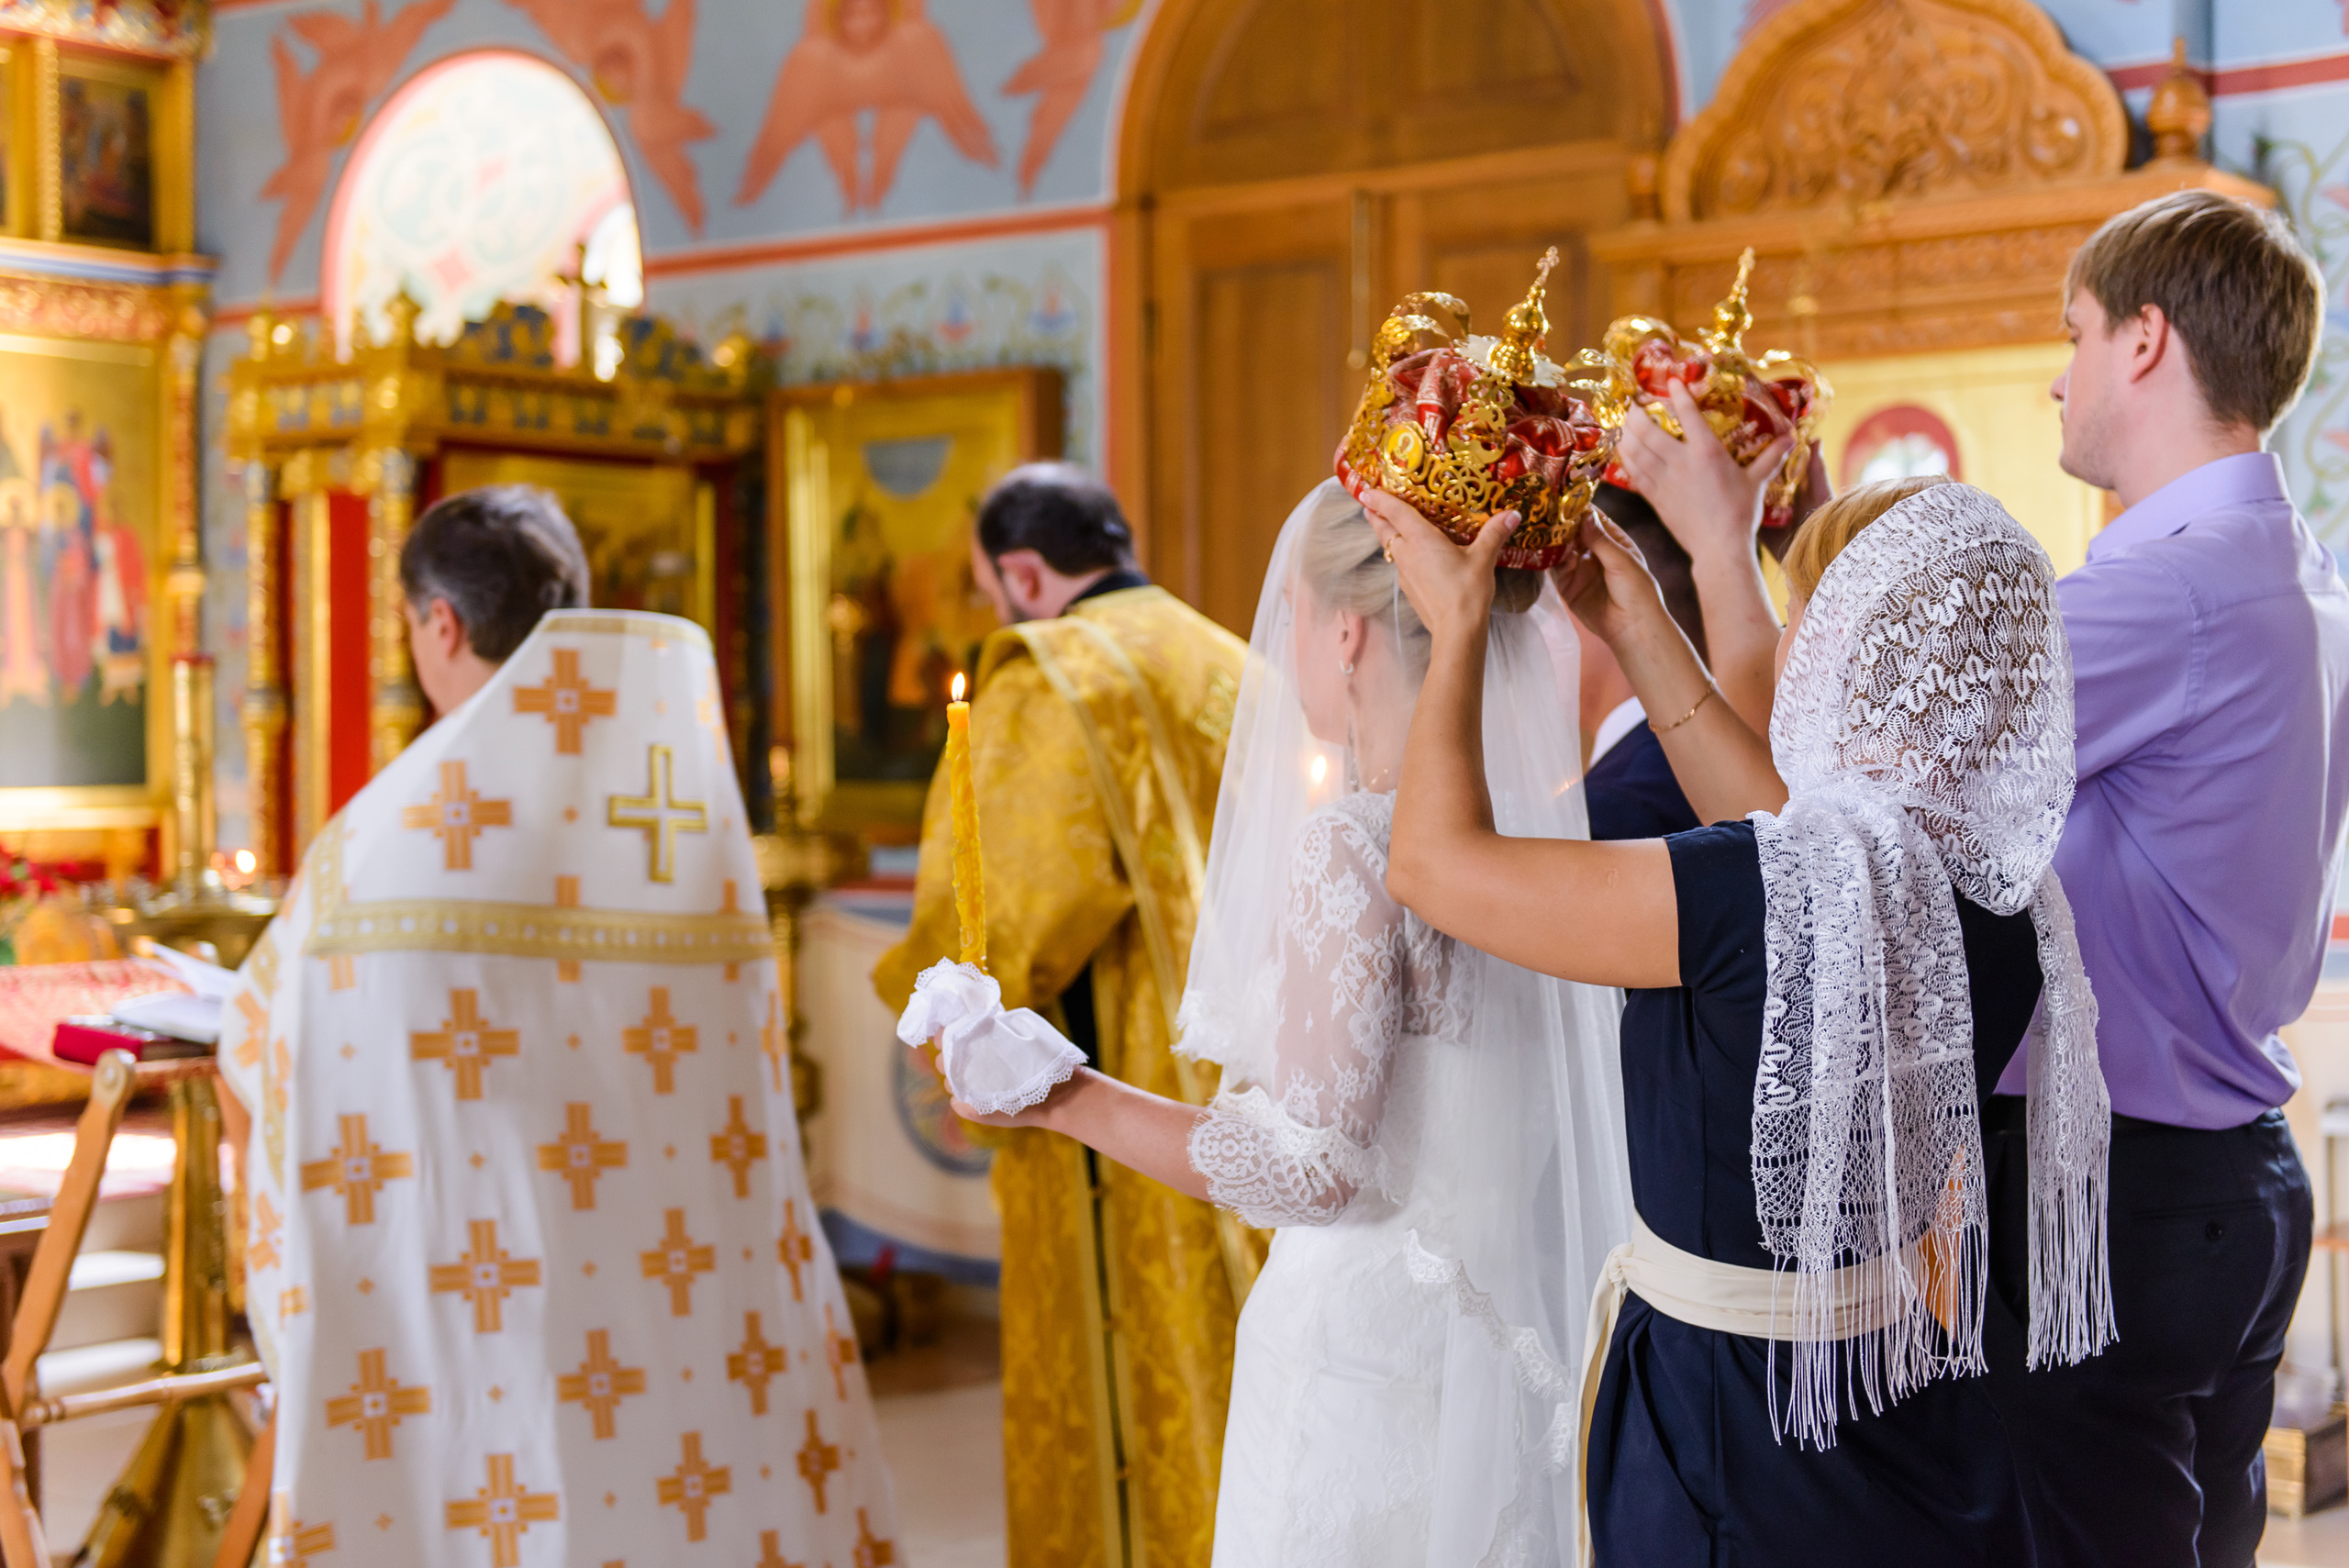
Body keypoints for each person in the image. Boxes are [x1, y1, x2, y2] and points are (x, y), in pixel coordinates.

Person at [1364, 475, 2113, 1567]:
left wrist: (1458, 628)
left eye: (1804, 601)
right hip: (1896, 1400)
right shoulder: (1994, 882)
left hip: (1729, 1422)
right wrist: (1637, 625)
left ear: (1861, 643)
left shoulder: (1759, 889)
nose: (1789, 628)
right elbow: (1787, 828)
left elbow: (1432, 867)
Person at [896, 479, 1631, 1564]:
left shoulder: (1353, 848)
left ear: (1343, 632)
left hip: (1361, 1360)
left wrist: (1063, 1092)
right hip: (1501, 1338)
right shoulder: (1556, 847)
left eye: (1286, 615)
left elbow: (1312, 1169)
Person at [217, 485, 896, 1565]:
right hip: (677, 1307)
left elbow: (259, 1057)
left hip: (485, 1303)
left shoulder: (391, 837)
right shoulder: (681, 813)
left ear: (439, 623)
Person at [1973, 189, 2344, 1566]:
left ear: (2143, 342)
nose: (2056, 372)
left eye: (2072, 332)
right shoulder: (2293, 573)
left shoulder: (2166, 593)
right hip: (2236, 1175)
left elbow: (1864, 757)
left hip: (2116, 1194)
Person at [872, 462, 1252, 1568]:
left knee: (1140, 1393)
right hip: (1260, 1074)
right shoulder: (1227, 653)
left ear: (1024, 571)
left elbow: (1003, 930)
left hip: (1116, 1113)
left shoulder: (1052, 672)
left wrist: (923, 994)